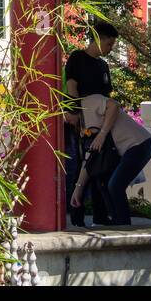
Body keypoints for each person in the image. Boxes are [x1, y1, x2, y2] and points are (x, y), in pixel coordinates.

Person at [63, 20, 118, 226]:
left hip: (101, 125)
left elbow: (107, 96)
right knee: (80, 168)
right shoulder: (77, 58)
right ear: (98, 39)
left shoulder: (103, 65)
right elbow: (71, 86)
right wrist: (74, 112)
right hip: (82, 122)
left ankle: (100, 215)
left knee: (100, 167)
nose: (110, 48)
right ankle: (76, 217)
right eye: (109, 44)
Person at [71, 93, 151, 227]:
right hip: (124, 151)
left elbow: (113, 105)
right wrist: (78, 189)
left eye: (63, 116)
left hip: (139, 144)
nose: (64, 121)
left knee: (115, 185)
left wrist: (102, 134)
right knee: (104, 183)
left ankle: (123, 225)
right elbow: (89, 159)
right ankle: (117, 222)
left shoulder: (89, 101)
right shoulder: (83, 128)